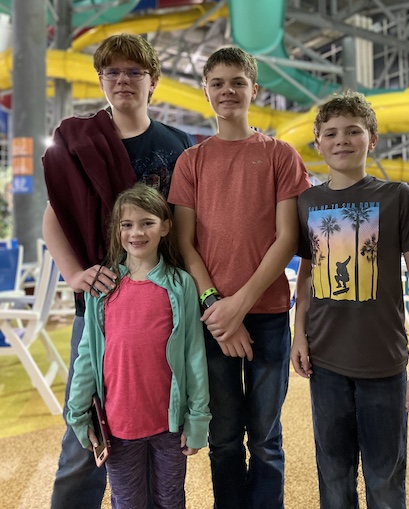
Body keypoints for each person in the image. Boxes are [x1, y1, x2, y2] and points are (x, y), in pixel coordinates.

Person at [42, 34, 193, 509]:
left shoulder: (178, 145)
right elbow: (54, 217)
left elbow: (188, 225)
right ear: (101, 80)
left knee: (162, 428)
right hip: (101, 305)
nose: (122, 80)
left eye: (134, 71)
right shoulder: (79, 140)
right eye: (112, 72)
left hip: (161, 308)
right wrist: (75, 275)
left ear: (153, 81)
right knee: (86, 431)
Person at [168, 46, 310, 509]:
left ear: (255, 90)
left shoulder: (280, 155)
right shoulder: (191, 161)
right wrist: (216, 306)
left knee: (266, 437)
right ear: (205, 91)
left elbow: (287, 239)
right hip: (212, 319)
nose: (227, 91)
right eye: (218, 83)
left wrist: (239, 305)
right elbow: (184, 243)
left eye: (237, 82)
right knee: (225, 436)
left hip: (267, 315)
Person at [290, 92, 409, 509]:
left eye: (353, 131)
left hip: (383, 365)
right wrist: (298, 334)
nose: (341, 140)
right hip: (325, 364)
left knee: (385, 480)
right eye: (331, 133)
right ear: (318, 143)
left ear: (371, 139)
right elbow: (307, 276)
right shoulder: (308, 202)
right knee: (334, 478)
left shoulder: (397, 196)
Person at [66, 184, 211, 509]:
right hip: (119, 425)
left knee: (170, 500)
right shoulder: (103, 287)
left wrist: (198, 419)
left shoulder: (180, 285)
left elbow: (194, 356)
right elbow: (87, 356)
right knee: (127, 502)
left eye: (147, 223)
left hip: (169, 426)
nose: (137, 232)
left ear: (166, 226)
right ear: (116, 230)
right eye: (127, 224)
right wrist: (77, 413)